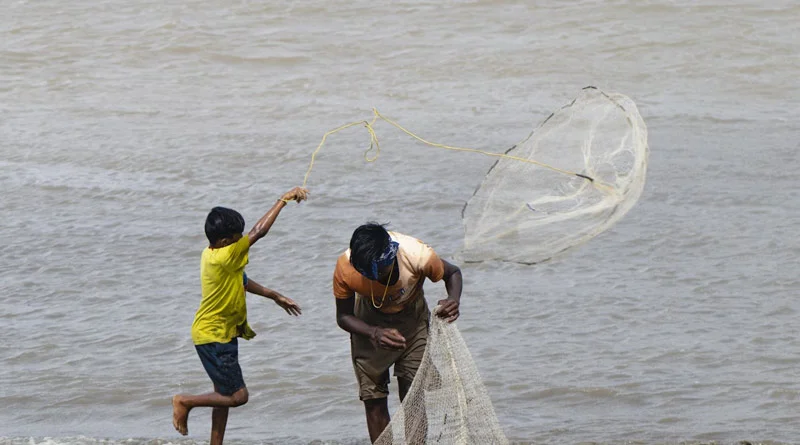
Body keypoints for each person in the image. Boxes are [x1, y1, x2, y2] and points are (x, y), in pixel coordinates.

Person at [172, 186, 308, 444]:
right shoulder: (227, 255)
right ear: (225, 241)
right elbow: (260, 232)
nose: (241, 240)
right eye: (237, 237)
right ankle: (184, 401)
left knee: (221, 396)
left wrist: (274, 295)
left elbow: (241, 281)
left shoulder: (211, 254)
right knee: (238, 396)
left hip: (213, 333)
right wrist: (283, 200)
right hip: (215, 336)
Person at [333, 223, 462, 443]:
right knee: (373, 398)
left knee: (413, 397)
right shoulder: (346, 268)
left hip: (413, 322)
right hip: (368, 322)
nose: (375, 278)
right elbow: (343, 317)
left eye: (379, 272)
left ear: (390, 257)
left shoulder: (418, 255)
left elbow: (453, 273)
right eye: (367, 274)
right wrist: (373, 333)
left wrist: (453, 300)